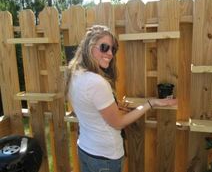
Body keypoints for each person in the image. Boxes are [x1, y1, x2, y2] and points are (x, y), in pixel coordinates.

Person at [65, 25, 177, 172]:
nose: (110, 54)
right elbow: (118, 124)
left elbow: (90, 107)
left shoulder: (74, 74)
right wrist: (151, 103)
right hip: (104, 157)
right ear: (90, 47)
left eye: (113, 49)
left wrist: (113, 109)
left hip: (85, 149)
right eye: (104, 47)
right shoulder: (97, 82)